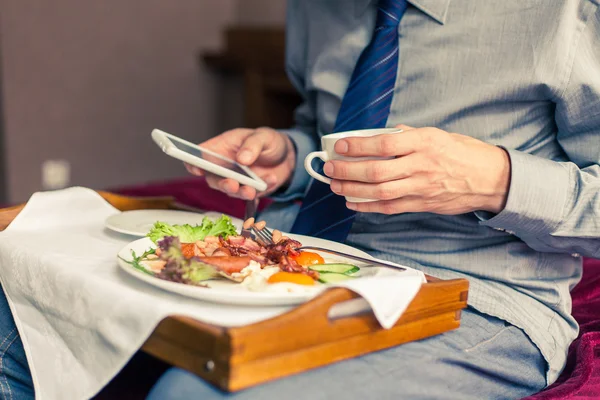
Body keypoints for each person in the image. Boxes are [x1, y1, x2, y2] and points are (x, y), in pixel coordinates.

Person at [145, 0, 600, 399]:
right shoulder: (314, 8)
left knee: (190, 392)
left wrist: (493, 180)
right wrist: (290, 155)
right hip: (301, 263)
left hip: (472, 298)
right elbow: (322, 126)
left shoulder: (567, 11)